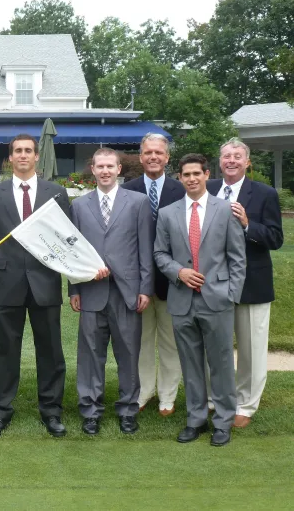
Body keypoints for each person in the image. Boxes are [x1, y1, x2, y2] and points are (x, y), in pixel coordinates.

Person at [0, 134, 69, 438]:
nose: (23, 155)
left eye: (28, 151)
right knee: (5, 350)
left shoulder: (57, 193)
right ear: (10, 159)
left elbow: (66, 240)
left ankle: (51, 410)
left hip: (45, 282)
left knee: (50, 350)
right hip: (6, 281)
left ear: (37, 157)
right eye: (17, 151)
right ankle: (0, 410)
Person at [154, 154, 246, 447]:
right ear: (179, 178)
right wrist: (178, 271)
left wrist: (231, 294)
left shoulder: (225, 210)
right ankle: (196, 419)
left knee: (220, 363)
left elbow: (237, 258)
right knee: (190, 363)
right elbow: (160, 254)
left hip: (217, 300)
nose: (192, 178)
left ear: (207, 174)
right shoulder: (168, 213)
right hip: (181, 300)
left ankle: (222, 421)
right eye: (186, 174)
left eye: (197, 173)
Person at [69, 148, 153, 436]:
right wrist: (74, 288)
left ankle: (128, 409)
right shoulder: (79, 206)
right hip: (91, 291)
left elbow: (145, 248)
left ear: (119, 169)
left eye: (110, 166)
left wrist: (145, 288)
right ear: (92, 170)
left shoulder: (138, 202)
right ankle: (91, 410)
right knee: (90, 354)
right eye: (100, 166)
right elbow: (73, 251)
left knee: (128, 353)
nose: (105, 171)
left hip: (127, 291)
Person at [206, 138, 283, 428]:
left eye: (238, 156)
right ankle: (216, 399)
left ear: (247, 162)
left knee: (251, 348)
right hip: (213, 283)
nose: (231, 161)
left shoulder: (264, 194)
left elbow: (275, 239)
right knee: (215, 345)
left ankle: (246, 406)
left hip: (253, 283)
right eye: (226, 156)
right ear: (220, 161)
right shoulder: (209, 188)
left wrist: (248, 224)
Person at [122, 133, 185, 417]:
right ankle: (143, 390)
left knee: (171, 341)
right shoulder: (129, 189)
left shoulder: (180, 189)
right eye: (148, 152)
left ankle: (168, 396)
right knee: (142, 341)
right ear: (140, 156)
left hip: (173, 281)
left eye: (159, 152)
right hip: (138, 281)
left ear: (167, 157)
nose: (153, 157)